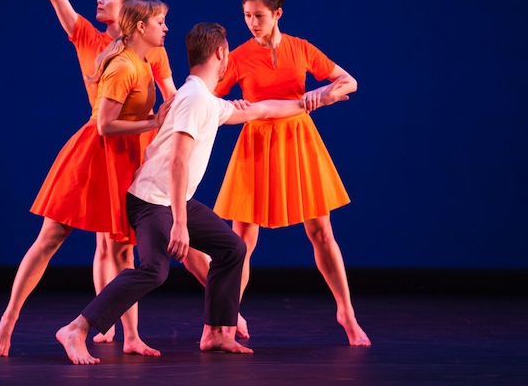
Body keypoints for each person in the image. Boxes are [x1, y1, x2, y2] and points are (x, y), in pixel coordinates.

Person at [54, 22, 353, 364]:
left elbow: (261, 110)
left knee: (232, 248)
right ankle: (77, 328)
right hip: (152, 201)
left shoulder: (205, 99)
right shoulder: (195, 100)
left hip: (172, 200)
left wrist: (315, 100)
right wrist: (180, 223)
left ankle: (216, 332)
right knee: (155, 269)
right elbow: (178, 162)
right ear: (221, 54)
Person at [0, 0, 177, 357]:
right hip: (96, 147)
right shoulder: (88, 38)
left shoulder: (152, 48)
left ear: (129, 10)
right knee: (52, 235)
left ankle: (130, 335)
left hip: (133, 152)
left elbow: (170, 99)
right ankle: (10, 315)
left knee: (121, 246)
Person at [212, 0, 371, 346]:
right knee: (242, 241)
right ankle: (227, 316)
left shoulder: (300, 49)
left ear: (277, 14)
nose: (252, 22)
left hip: (298, 142)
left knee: (322, 232)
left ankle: (345, 311)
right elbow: (206, 94)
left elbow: (350, 82)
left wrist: (324, 93)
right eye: (247, 16)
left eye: (259, 16)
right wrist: (229, 106)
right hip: (256, 144)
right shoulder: (238, 57)